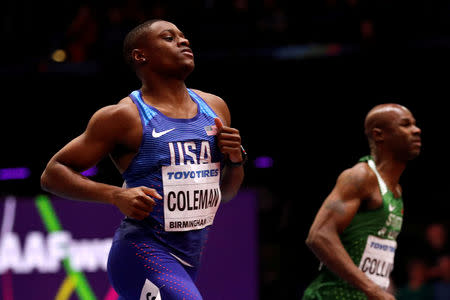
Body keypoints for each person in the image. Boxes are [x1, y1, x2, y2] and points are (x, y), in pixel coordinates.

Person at [41, 19, 245, 300]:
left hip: (188, 260)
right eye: (169, 38)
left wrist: (235, 161)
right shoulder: (125, 117)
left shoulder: (215, 108)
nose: (183, 41)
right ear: (140, 55)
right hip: (141, 252)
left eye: (184, 36)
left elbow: (227, 194)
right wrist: (115, 195)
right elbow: (53, 173)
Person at [302, 103, 421, 300]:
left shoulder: (396, 190)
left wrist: (380, 289)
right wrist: (372, 289)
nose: (416, 130)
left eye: (414, 124)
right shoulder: (361, 176)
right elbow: (319, 236)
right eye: (405, 125)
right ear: (378, 134)